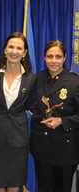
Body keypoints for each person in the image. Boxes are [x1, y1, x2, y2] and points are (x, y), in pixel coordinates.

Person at [0, 32, 36, 192]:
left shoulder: (31, 79)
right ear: (5, 50)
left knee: (15, 183)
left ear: (24, 53)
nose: (14, 51)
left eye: (19, 48)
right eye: (11, 47)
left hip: (18, 138)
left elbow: (36, 105)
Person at [30, 40, 79, 192]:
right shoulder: (36, 79)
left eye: (58, 57)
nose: (54, 61)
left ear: (65, 58)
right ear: (44, 58)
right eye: (50, 56)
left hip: (65, 148)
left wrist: (62, 121)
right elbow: (31, 105)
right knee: (44, 188)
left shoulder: (75, 81)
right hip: (42, 146)